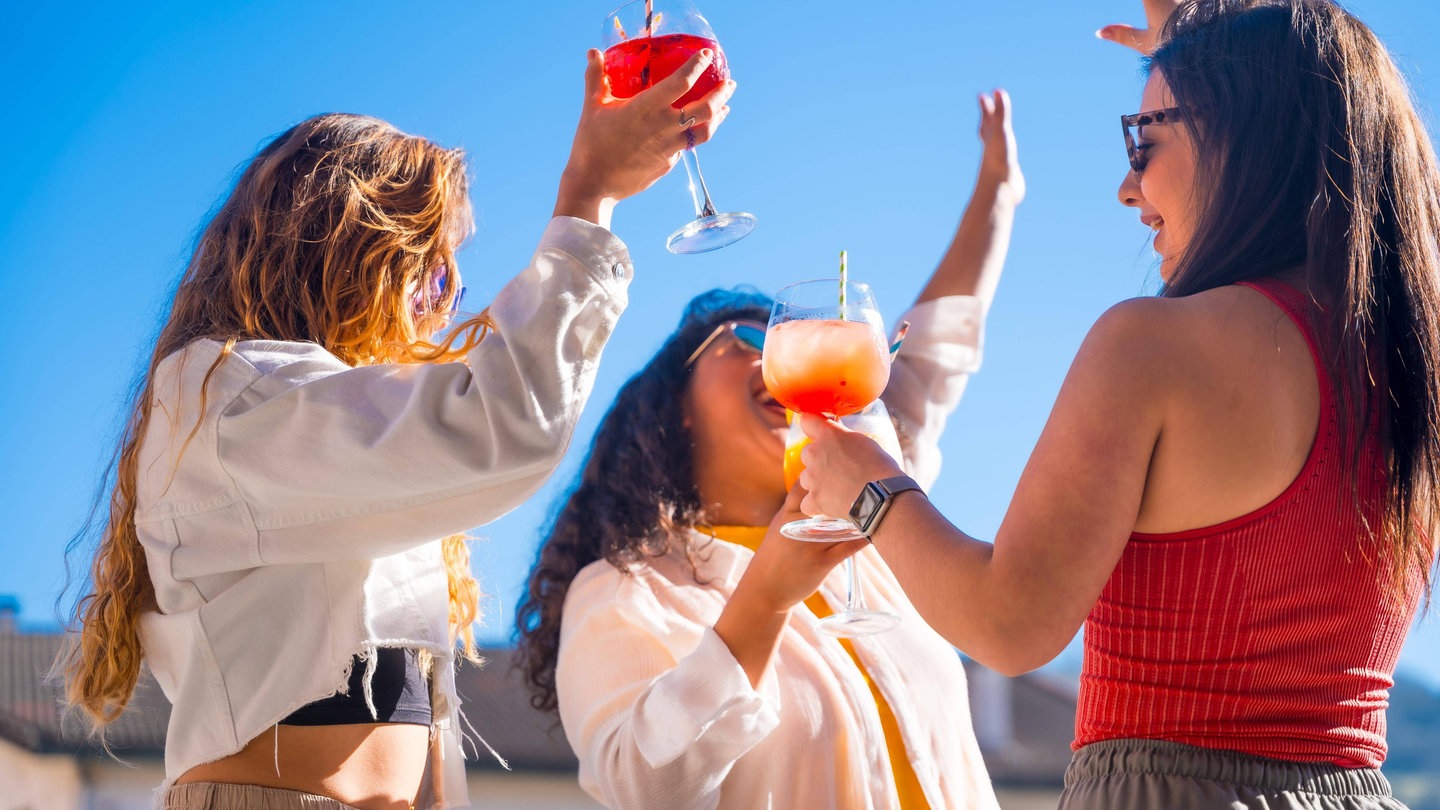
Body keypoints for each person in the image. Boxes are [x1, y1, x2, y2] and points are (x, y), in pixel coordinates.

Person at [796, 1, 1440, 808]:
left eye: (1144, 141)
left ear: (1245, 134)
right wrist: (1205, 52)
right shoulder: (1411, 373)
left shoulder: (1155, 345)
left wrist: (869, 484)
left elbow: (1011, 622)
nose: (1127, 187)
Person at [58, 48, 735, 810]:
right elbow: (498, 425)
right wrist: (589, 197)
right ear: (347, 249)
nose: (445, 307)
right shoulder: (225, 399)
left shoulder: (343, 440)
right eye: (435, 271)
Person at [515, 90, 1023, 809]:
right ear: (673, 414)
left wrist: (997, 193)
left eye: (788, 341)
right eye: (746, 343)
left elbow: (933, 351)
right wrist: (768, 595)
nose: (780, 359)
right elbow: (640, 782)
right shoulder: (628, 589)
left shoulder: (874, 527)